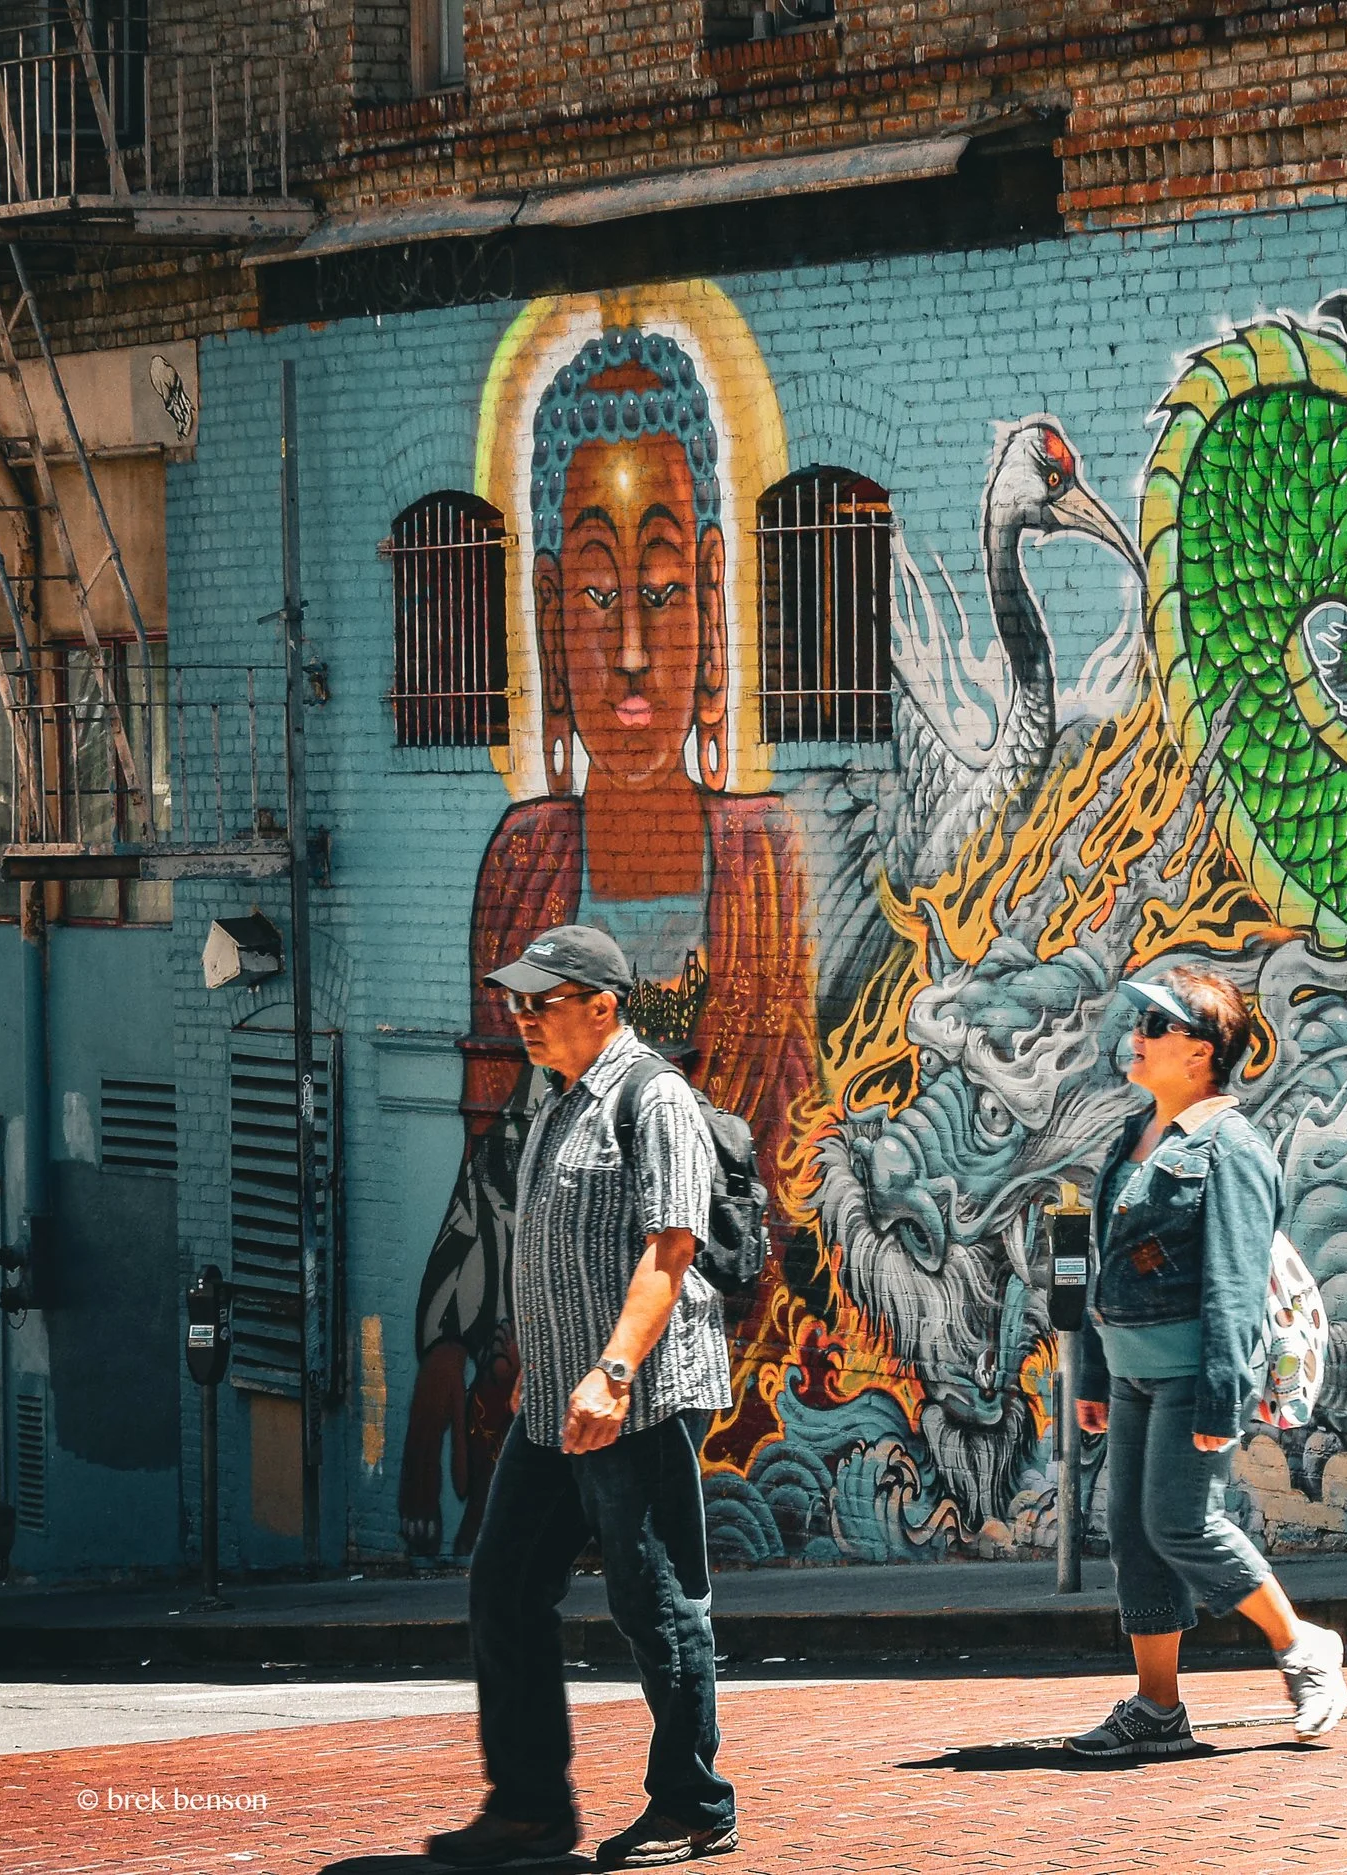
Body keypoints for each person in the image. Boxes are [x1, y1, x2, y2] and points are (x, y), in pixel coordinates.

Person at [400, 324, 821, 1560]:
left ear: (714, 591)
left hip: (706, 1343)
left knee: (661, 1577)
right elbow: (492, 1165)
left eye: (665, 589)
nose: (631, 647)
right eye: (591, 594)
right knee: (523, 1584)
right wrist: (445, 1354)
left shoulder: (764, 859)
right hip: (548, 1348)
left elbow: (778, 1166)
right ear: (543, 609)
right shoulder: (525, 859)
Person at [426, 924, 739, 1870]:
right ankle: (529, 1807)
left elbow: (670, 1248)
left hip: (635, 1397)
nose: (521, 1016)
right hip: (557, 1405)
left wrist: (613, 1370)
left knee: (656, 1602)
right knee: (505, 1584)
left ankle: (692, 1804)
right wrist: (540, 1364)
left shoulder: (653, 1098)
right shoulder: (560, 1101)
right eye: (516, 1001)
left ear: (603, 1005)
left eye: (542, 1001)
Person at [1066, 965, 1347, 1756]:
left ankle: (1302, 1643)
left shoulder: (1232, 1146)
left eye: (1156, 1026)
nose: (1137, 1036)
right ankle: (1157, 1708)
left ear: (1201, 1051)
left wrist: (1223, 1394)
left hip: (1193, 1375)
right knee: (1133, 1533)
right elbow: (1105, 1260)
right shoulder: (1136, 1135)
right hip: (1131, 1370)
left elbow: (1233, 1278)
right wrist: (1095, 1374)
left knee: (1182, 1522)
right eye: (1141, 1023)